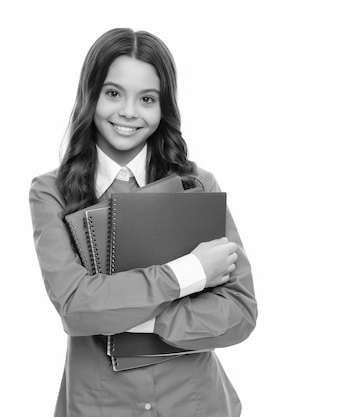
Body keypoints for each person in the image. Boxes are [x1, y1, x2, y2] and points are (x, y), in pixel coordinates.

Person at [29, 28, 257, 417]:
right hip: (100, 406)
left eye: (147, 99)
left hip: (197, 404)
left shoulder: (197, 186)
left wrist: (125, 315)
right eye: (113, 93)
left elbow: (238, 314)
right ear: (90, 95)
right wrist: (189, 273)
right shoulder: (51, 192)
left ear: (163, 107)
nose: (129, 112)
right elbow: (76, 309)